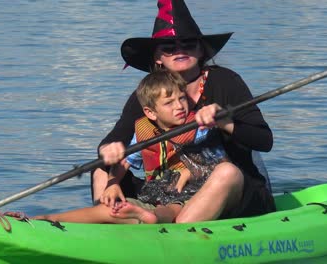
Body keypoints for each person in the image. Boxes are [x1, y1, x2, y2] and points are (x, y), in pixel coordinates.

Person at [92, 0, 276, 221]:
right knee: (101, 171)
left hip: (231, 192)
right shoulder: (148, 93)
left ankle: (177, 238)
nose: (179, 50)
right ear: (158, 57)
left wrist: (225, 121)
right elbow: (115, 139)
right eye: (169, 47)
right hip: (166, 192)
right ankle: (105, 228)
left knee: (226, 173)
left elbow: (264, 141)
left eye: (188, 43)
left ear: (201, 50)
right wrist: (108, 150)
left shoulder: (226, 81)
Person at [33, 69, 238, 224]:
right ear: (150, 113)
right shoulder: (143, 131)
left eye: (182, 98)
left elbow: (219, 164)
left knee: (172, 210)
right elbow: (125, 162)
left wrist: (189, 172)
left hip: (193, 192)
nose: (179, 106)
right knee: (111, 210)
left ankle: (151, 218)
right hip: (159, 191)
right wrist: (113, 183)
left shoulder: (200, 126)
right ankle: (45, 219)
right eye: (169, 103)